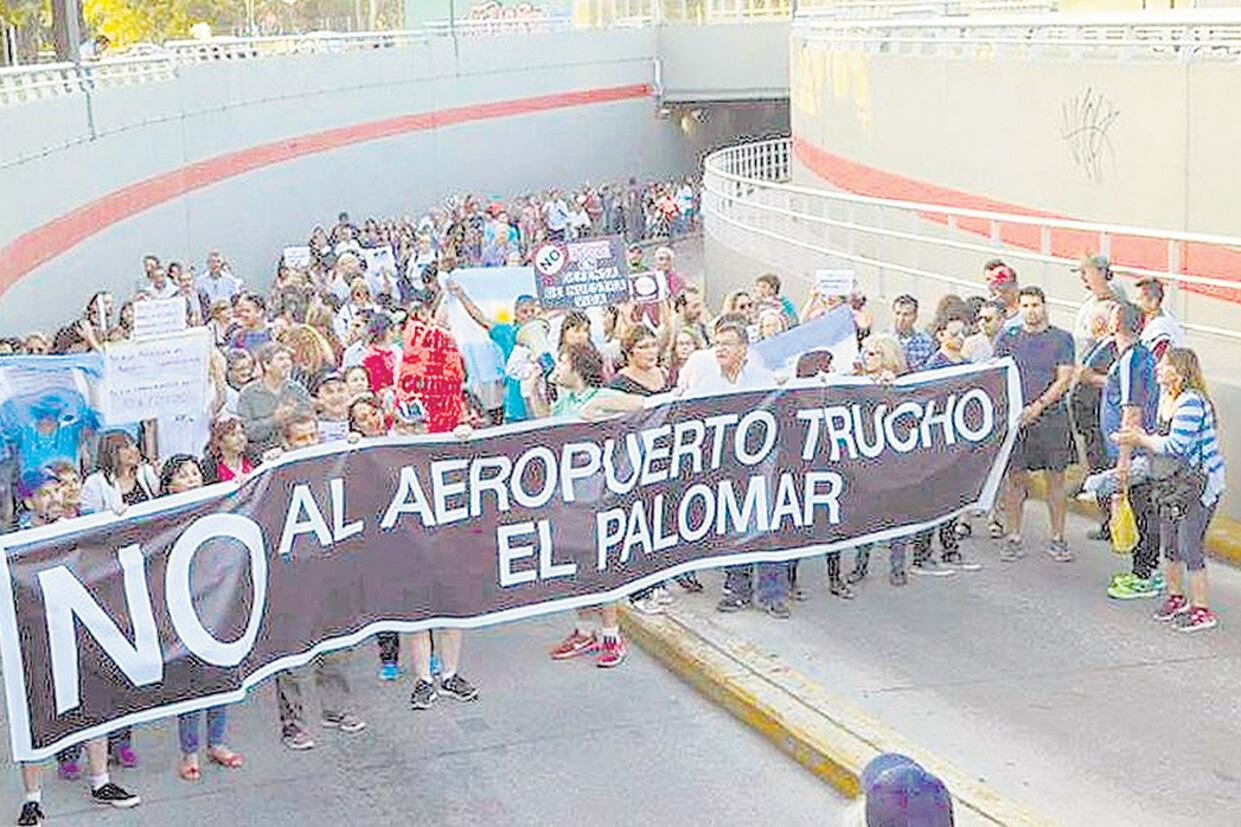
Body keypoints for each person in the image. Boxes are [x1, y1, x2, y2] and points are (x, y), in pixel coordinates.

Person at [14, 468, 141, 826]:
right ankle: (32, 799)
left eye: (56, 490)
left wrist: (119, 515)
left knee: (94, 704)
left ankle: (101, 780)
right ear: (28, 502)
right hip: (37, 638)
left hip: (79, 632)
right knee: (36, 715)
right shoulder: (17, 542)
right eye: (44, 493)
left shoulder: (79, 525)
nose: (53, 498)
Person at [270, 415, 368, 749]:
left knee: (338, 643)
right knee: (294, 652)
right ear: (287, 442)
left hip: (331, 569)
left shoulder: (335, 464)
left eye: (313, 436)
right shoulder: (275, 474)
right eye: (301, 438)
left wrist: (361, 448)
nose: (309, 443)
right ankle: (293, 723)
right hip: (292, 574)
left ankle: (336, 709)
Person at [545, 345, 645, 666]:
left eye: (564, 360)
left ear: (578, 367)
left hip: (594, 495)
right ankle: (584, 631)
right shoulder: (563, 399)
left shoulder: (598, 397)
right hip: (567, 496)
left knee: (598, 564)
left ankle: (611, 635)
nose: (559, 364)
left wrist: (603, 416)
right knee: (577, 566)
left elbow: (644, 405)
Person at [1115, 348, 1225, 632]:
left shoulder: (1190, 402)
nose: (1159, 369)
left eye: (1164, 365)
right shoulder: (1167, 399)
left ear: (1179, 371)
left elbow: (1176, 446)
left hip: (1197, 486)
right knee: (1171, 544)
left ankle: (1202, 610)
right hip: (1171, 485)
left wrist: (1139, 437)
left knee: (1190, 546)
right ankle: (1176, 598)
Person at [160, 455, 246, 781]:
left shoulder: (218, 502)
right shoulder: (162, 517)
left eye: (195, 473)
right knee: (190, 682)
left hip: (216, 601)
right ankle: (189, 751)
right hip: (182, 605)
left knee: (219, 673)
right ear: (169, 486)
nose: (192, 479)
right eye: (182, 475)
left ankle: (218, 742)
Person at [993, 287, 1076, 563]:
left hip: (1052, 418)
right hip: (1017, 420)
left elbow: (1064, 379)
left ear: (1045, 306)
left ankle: (1058, 538)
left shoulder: (1062, 339)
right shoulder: (1008, 339)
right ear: (1020, 308)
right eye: (1026, 305)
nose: (1031, 310)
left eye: (1036, 305)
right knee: (1015, 479)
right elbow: (997, 376)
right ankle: (1013, 536)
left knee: (1056, 478)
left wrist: (1038, 406)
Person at [1101, 302, 1162, 600]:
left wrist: (1123, 461)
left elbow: (1131, 411)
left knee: (1141, 510)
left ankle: (1144, 573)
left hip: (1135, 452)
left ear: (1116, 324)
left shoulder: (1131, 360)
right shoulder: (1140, 357)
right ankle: (1147, 568)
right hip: (1140, 448)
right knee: (1143, 509)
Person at [848, 333, 914, 587]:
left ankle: (898, 567)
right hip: (866, 462)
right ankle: (860, 565)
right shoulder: (857, 382)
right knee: (865, 515)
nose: (867, 357)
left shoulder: (905, 383)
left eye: (873, 353)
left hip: (895, 461)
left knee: (896, 512)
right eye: (865, 352)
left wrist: (892, 388)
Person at [236, 343, 313, 455]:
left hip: (295, 452)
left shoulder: (298, 390)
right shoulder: (249, 394)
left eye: (288, 359)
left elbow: (310, 422)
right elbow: (246, 431)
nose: (287, 363)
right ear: (266, 365)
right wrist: (274, 420)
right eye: (281, 359)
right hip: (261, 454)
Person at [1072, 253, 1126, 353]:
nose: (1082, 277)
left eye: (1085, 272)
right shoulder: (1089, 296)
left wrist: (1096, 279)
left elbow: (1107, 293)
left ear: (1101, 271)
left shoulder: (1114, 287)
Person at [1134, 277, 1185, 360]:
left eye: (1139, 300)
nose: (1136, 304)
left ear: (1154, 301)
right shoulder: (1148, 319)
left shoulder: (1161, 329)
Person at [890, 294, 935, 371]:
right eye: (897, 313)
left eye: (906, 315)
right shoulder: (882, 339)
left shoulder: (926, 342)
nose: (901, 319)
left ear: (915, 317)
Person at [197, 251, 243, 319]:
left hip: (226, 312)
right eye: (212, 262)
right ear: (207, 264)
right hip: (208, 313)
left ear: (221, 264)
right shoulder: (200, 280)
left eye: (218, 262)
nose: (214, 264)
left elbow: (235, 298)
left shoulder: (230, 279)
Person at [207, 416, 253, 482]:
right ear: (219, 441)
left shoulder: (253, 456)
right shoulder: (211, 468)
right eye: (233, 435)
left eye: (242, 433)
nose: (241, 438)